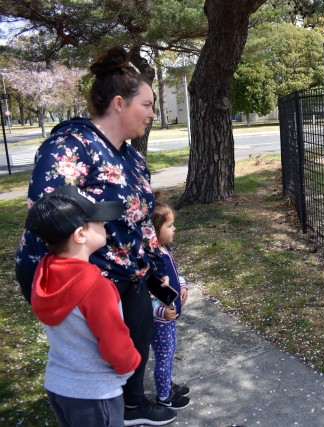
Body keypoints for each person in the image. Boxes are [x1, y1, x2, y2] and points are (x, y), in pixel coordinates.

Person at [14, 46, 176, 426]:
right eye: (147, 105)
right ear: (119, 103)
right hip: (85, 283)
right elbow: (46, 215)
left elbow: (141, 222)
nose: (153, 114)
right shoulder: (71, 146)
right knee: (92, 358)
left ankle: (131, 406)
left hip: (129, 275)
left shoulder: (132, 157)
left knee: (138, 338)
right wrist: (54, 285)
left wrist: (158, 274)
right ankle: (93, 408)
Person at [27, 185, 141, 427]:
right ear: (80, 235)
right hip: (95, 394)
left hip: (59, 386)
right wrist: (131, 364)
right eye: (98, 221)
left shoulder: (45, 273)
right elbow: (115, 345)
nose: (105, 225)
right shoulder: (96, 288)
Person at [150, 201, 191, 409]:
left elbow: (176, 273)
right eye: (169, 226)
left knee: (170, 351)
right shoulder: (152, 259)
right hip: (160, 320)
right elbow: (149, 296)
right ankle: (164, 396)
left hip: (170, 317)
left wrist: (182, 286)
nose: (174, 229)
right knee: (164, 357)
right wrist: (161, 312)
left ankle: (167, 384)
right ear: (154, 230)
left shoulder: (165, 249)